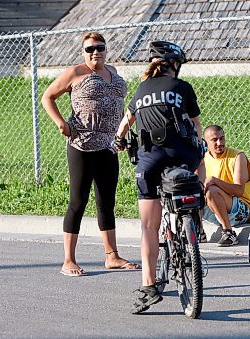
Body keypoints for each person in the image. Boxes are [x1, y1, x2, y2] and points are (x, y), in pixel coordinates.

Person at [114, 40, 204, 314]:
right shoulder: (182, 88)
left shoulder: (141, 89)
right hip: (182, 156)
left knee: (149, 227)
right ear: (174, 66)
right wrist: (198, 148)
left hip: (149, 158)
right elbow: (197, 126)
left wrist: (118, 141)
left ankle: (149, 285)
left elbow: (124, 125)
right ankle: (196, 219)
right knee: (197, 165)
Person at [41, 32, 139, 277]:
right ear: (83, 52)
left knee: (106, 201)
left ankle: (112, 256)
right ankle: (68, 260)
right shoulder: (75, 73)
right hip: (81, 145)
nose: (96, 52)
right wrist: (61, 124)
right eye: (90, 49)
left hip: (108, 146)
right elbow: (47, 97)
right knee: (78, 201)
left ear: (106, 50)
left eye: (100, 47)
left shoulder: (113, 72)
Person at [202, 125, 250, 246]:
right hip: (214, 208)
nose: (219, 143)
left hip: (240, 209)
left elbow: (239, 190)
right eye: (214, 140)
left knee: (212, 191)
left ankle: (228, 233)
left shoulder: (237, 156)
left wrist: (215, 180)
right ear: (205, 142)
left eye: (222, 138)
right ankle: (198, 231)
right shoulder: (202, 158)